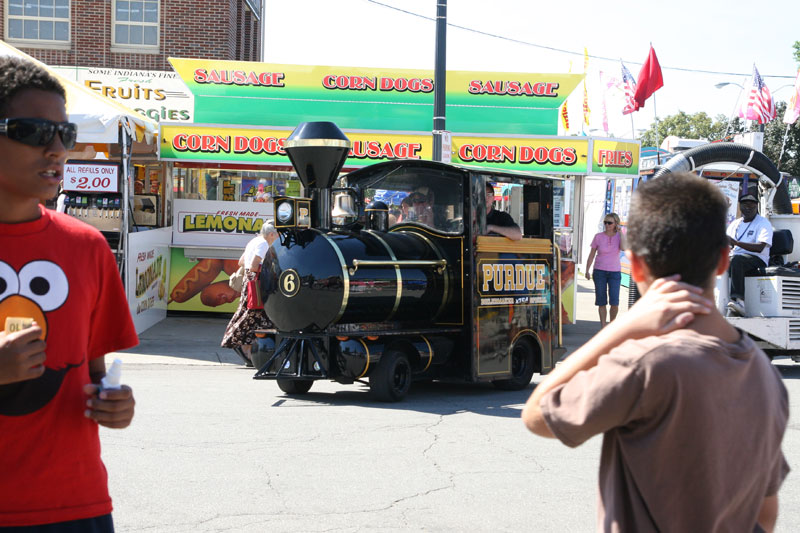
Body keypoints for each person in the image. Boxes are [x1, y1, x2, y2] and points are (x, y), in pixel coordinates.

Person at [521, 172, 789, 532]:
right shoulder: (764, 373)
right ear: (724, 260)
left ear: (634, 267)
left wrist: (621, 327)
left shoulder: (645, 363)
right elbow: (766, 515)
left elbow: (538, 414)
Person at [0, 56, 138, 531]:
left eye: (66, 134)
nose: (57, 149)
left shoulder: (87, 247)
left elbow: (94, 370)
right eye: (34, 132)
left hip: (74, 506)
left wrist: (114, 402)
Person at [221, 221, 279, 364]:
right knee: (252, 314)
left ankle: (247, 350)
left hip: (249, 282)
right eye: (278, 234)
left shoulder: (254, 241)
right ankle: (236, 340)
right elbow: (254, 266)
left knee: (250, 313)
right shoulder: (263, 244)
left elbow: (241, 261)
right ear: (271, 234)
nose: (279, 237)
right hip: (255, 283)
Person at [726, 192, 773, 316]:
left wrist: (736, 242)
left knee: (737, 260)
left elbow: (760, 247)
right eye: (745, 205)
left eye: (752, 205)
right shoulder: (735, 224)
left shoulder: (763, 223)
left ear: (757, 206)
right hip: (736, 257)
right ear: (740, 206)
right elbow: (729, 245)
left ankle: (739, 301)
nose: (749, 207)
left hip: (757, 258)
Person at [585, 212, 624, 328]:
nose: (607, 225)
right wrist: (587, 270)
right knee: (601, 300)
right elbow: (591, 254)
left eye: (610, 223)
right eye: (605, 222)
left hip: (615, 272)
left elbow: (623, 248)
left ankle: (611, 326)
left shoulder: (619, 236)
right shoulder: (598, 237)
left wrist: (621, 232)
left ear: (616, 223)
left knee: (614, 302)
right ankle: (603, 326)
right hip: (599, 272)